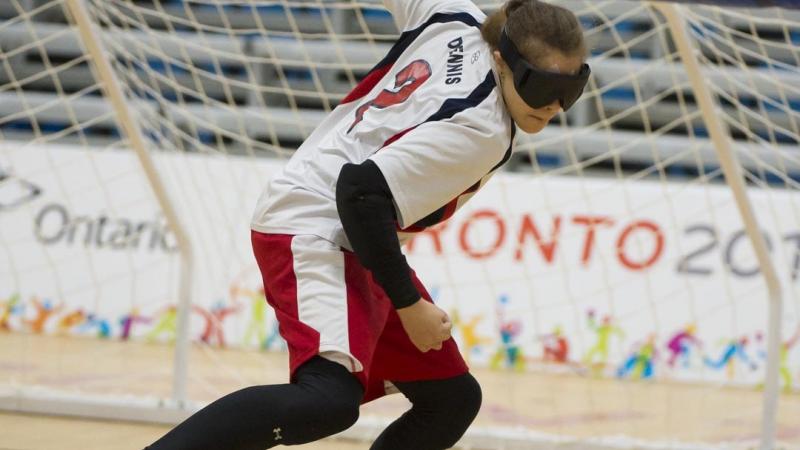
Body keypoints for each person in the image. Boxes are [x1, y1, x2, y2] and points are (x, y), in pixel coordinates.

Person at [146, 0, 588, 449]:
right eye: (542, 86)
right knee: (327, 401)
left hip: (348, 227)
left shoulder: (454, 16)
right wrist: (408, 304)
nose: (555, 105)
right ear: (501, 59)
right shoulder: (480, 130)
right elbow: (358, 192)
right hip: (313, 223)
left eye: (572, 89)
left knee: (450, 398)